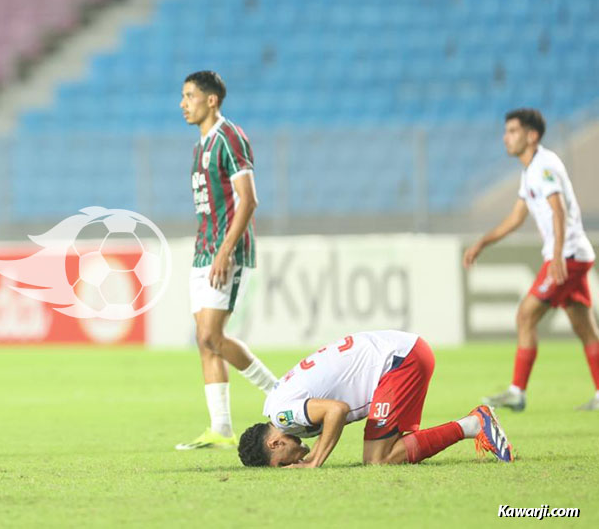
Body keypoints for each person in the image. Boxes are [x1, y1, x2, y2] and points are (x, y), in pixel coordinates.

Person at [464, 108, 599, 412]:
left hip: (567, 256)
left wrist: (557, 255)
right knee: (586, 330)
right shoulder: (530, 171)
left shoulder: (545, 164)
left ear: (532, 135)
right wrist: (483, 242)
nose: (506, 138)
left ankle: (517, 391)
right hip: (572, 255)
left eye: (512, 131)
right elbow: (515, 217)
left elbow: (558, 209)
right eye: (506, 131)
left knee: (525, 315)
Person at [176, 70, 277, 450]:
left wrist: (224, 250)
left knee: (210, 335)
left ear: (211, 100)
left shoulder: (229, 138)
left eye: (190, 96)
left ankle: (279, 391)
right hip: (204, 250)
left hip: (226, 252)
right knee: (205, 344)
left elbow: (248, 200)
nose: (183, 104)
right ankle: (220, 428)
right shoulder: (200, 145)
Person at [238, 330, 514, 468]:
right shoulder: (279, 408)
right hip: (400, 355)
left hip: (398, 360)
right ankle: (472, 425)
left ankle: (474, 424)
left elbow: (337, 410)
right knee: (381, 453)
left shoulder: (283, 416)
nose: (292, 465)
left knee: (377, 459)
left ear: (275, 443)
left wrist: (314, 462)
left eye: (283, 463)